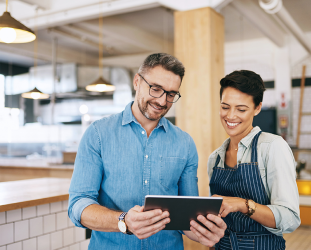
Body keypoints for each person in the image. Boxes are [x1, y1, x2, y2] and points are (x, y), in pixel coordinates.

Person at [68, 53, 226, 249]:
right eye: (156, 89)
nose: (162, 101)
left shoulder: (185, 143)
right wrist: (123, 221)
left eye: (170, 94)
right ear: (137, 81)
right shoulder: (98, 134)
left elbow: (186, 218)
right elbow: (78, 205)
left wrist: (205, 231)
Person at [207, 70, 300, 250]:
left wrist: (243, 204)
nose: (231, 116)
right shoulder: (215, 158)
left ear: (257, 108)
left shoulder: (272, 147)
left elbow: (290, 219)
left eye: (241, 109)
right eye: (225, 107)